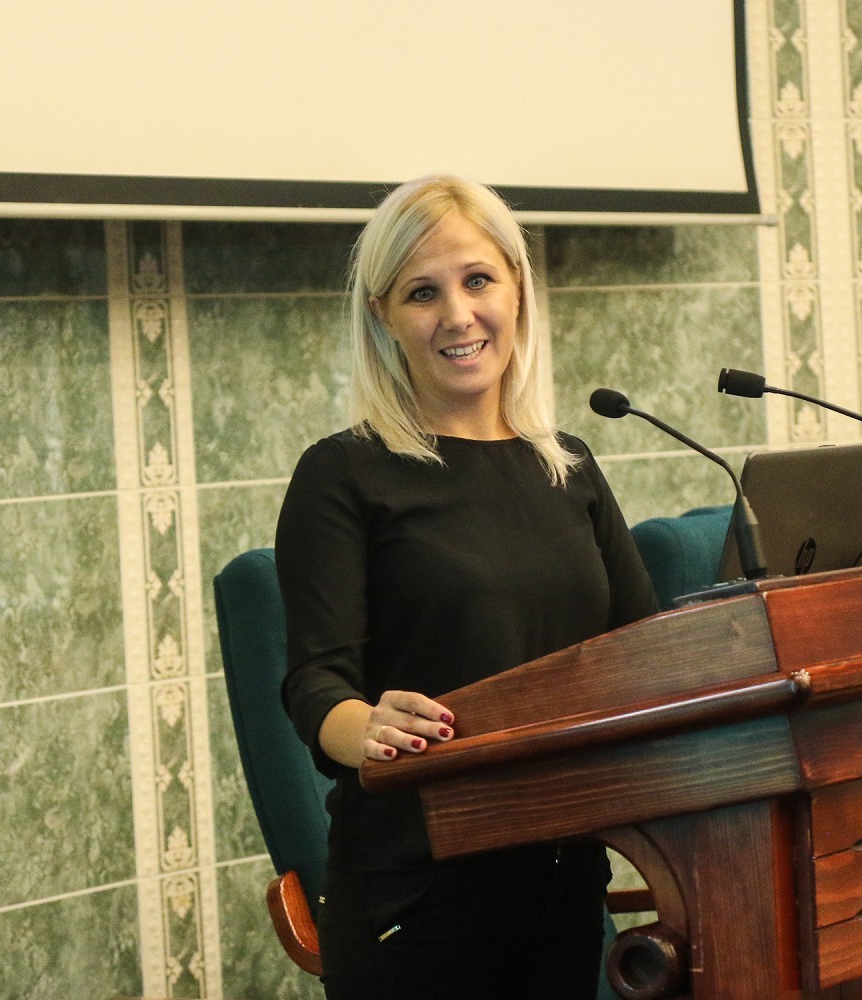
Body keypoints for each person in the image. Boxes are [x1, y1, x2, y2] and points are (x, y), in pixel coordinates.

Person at [276, 174, 659, 1000]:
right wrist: (369, 728)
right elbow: (315, 686)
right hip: (417, 904)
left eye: (478, 279)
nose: (458, 315)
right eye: (423, 292)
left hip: (563, 884)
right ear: (383, 316)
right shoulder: (343, 473)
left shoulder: (570, 467)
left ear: (516, 288)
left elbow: (648, 653)